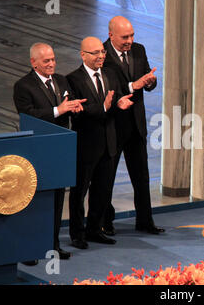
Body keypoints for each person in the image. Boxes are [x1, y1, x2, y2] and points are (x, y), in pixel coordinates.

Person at [13, 42, 86, 261]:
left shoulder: (62, 81)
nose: (52, 64)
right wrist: (58, 110)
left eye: (53, 59)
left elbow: (69, 108)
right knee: (33, 202)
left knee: (56, 200)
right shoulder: (23, 86)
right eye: (46, 61)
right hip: (36, 150)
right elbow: (28, 115)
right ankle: (29, 249)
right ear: (33, 62)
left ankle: (52, 245)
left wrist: (76, 109)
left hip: (59, 150)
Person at [66, 36, 133, 249]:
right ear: (83, 54)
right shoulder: (72, 80)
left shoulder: (111, 74)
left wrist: (120, 102)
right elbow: (78, 112)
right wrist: (103, 107)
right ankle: (77, 234)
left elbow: (116, 99)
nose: (101, 56)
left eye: (102, 52)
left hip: (109, 143)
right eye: (95, 53)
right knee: (79, 192)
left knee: (102, 190)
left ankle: (95, 229)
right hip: (86, 145)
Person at [102, 16, 164, 235]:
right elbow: (106, 88)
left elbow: (146, 79)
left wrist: (150, 81)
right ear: (111, 36)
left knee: (141, 176)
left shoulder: (139, 50)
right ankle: (104, 222)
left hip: (136, 125)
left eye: (132, 35)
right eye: (125, 37)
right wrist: (132, 85)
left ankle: (145, 221)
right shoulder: (102, 55)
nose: (130, 40)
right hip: (113, 126)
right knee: (106, 177)